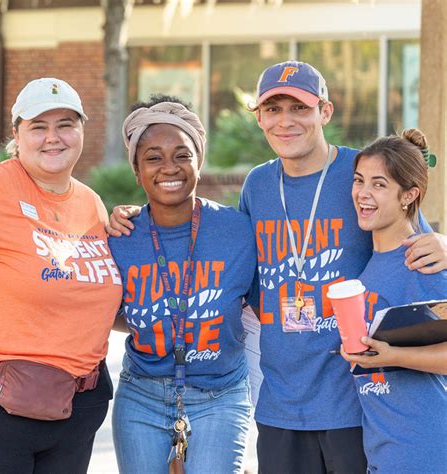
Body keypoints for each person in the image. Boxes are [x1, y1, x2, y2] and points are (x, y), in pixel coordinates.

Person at [108, 61, 447, 473]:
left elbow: (417, 243)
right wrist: (127, 219)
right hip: (280, 404)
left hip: (353, 399)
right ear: (260, 118)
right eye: (272, 109)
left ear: (325, 112)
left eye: (299, 109)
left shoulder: (361, 173)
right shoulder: (258, 184)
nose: (285, 121)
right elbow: (219, 261)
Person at [0, 77, 122, 473]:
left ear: (81, 132)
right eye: (39, 126)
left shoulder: (90, 203)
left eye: (65, 124)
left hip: (79, 407)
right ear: (17, 135)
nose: (53, 137)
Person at [109, 95, 256, 473]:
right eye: (153, 157)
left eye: (182, 154)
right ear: (137, 171)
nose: (169, 167)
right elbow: (106, 310)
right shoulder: (119, 236)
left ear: (199, 161)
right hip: (141, 394)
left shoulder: (239, 231)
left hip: (220, 393)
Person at [341, 129, 447, 473]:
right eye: (359, 181)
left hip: (425, 449)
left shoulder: (424, 262)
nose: (363, 194)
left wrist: (391, 356)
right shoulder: (368, 268)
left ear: (408, 195)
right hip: (383, 451)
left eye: (379, 184)